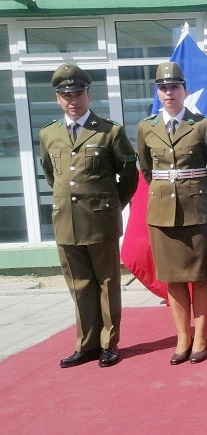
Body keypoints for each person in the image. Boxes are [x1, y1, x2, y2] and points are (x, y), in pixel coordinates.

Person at [39, 63, 138, 368]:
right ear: (58, 98)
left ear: (88, 95)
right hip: (66, 221)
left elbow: (129, 175)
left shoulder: (110, 131)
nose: (73, 99)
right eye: (66, 94)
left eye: (78, 92)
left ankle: (109, 344)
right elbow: (51, 173)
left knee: (107, 282)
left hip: (100, 221)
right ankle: (86, 344)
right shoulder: (49, 134)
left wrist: (110, 205)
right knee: (79, 283)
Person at [136, 62, 207, 364]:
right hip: (163, 214)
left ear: (184, 91)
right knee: (173, 278)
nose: (168, 92)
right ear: (158, 92)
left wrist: (203, 199)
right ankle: (182, 337)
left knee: (201, 277)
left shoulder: (202, 126)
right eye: (163, 87)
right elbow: (147, 170)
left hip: (198, 209)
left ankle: (200, 336)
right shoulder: (146, 127)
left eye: (174, 87)